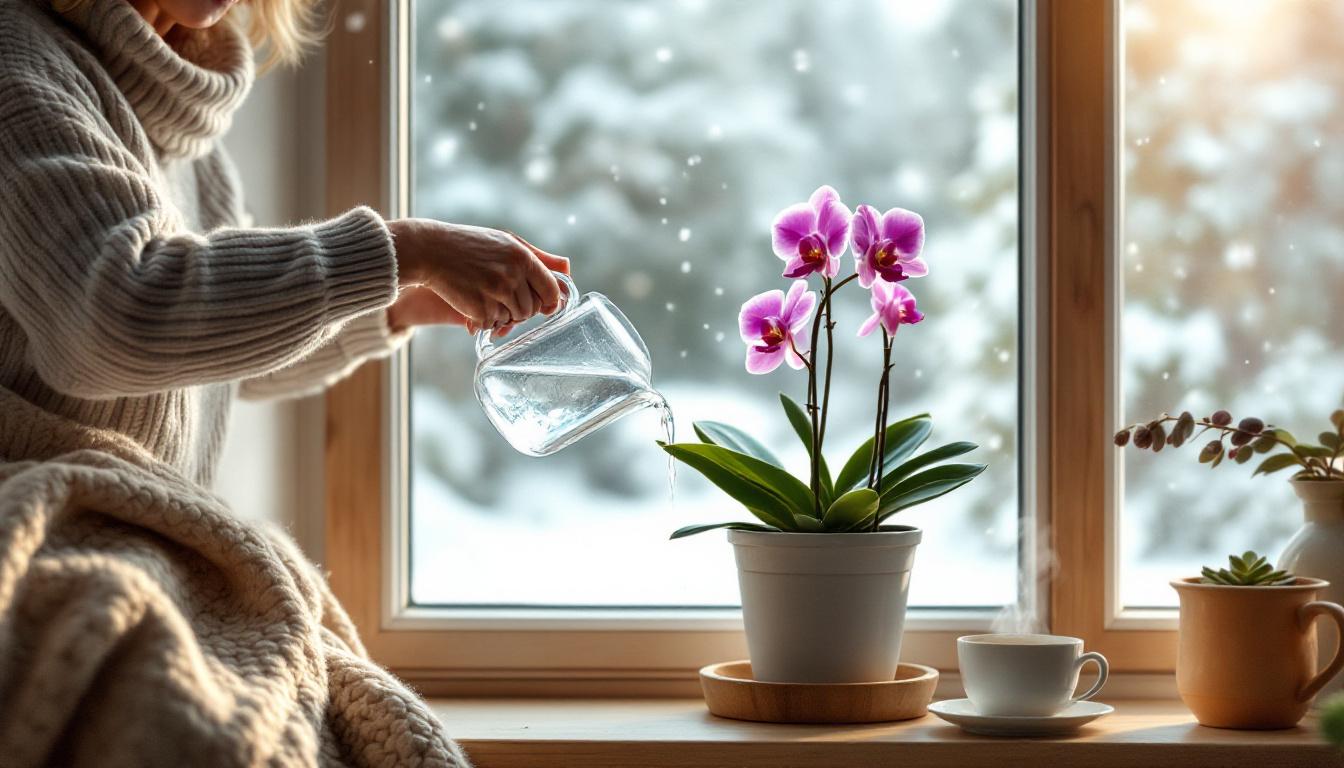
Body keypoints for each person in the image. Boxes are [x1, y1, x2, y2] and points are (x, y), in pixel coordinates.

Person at [0, 0, 566, 764]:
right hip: (53, 519)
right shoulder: (17, 60)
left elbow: (212, 351)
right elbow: (119, 318)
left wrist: (395, 303)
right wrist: (403, 248)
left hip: (143, 529)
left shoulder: (186, 130)